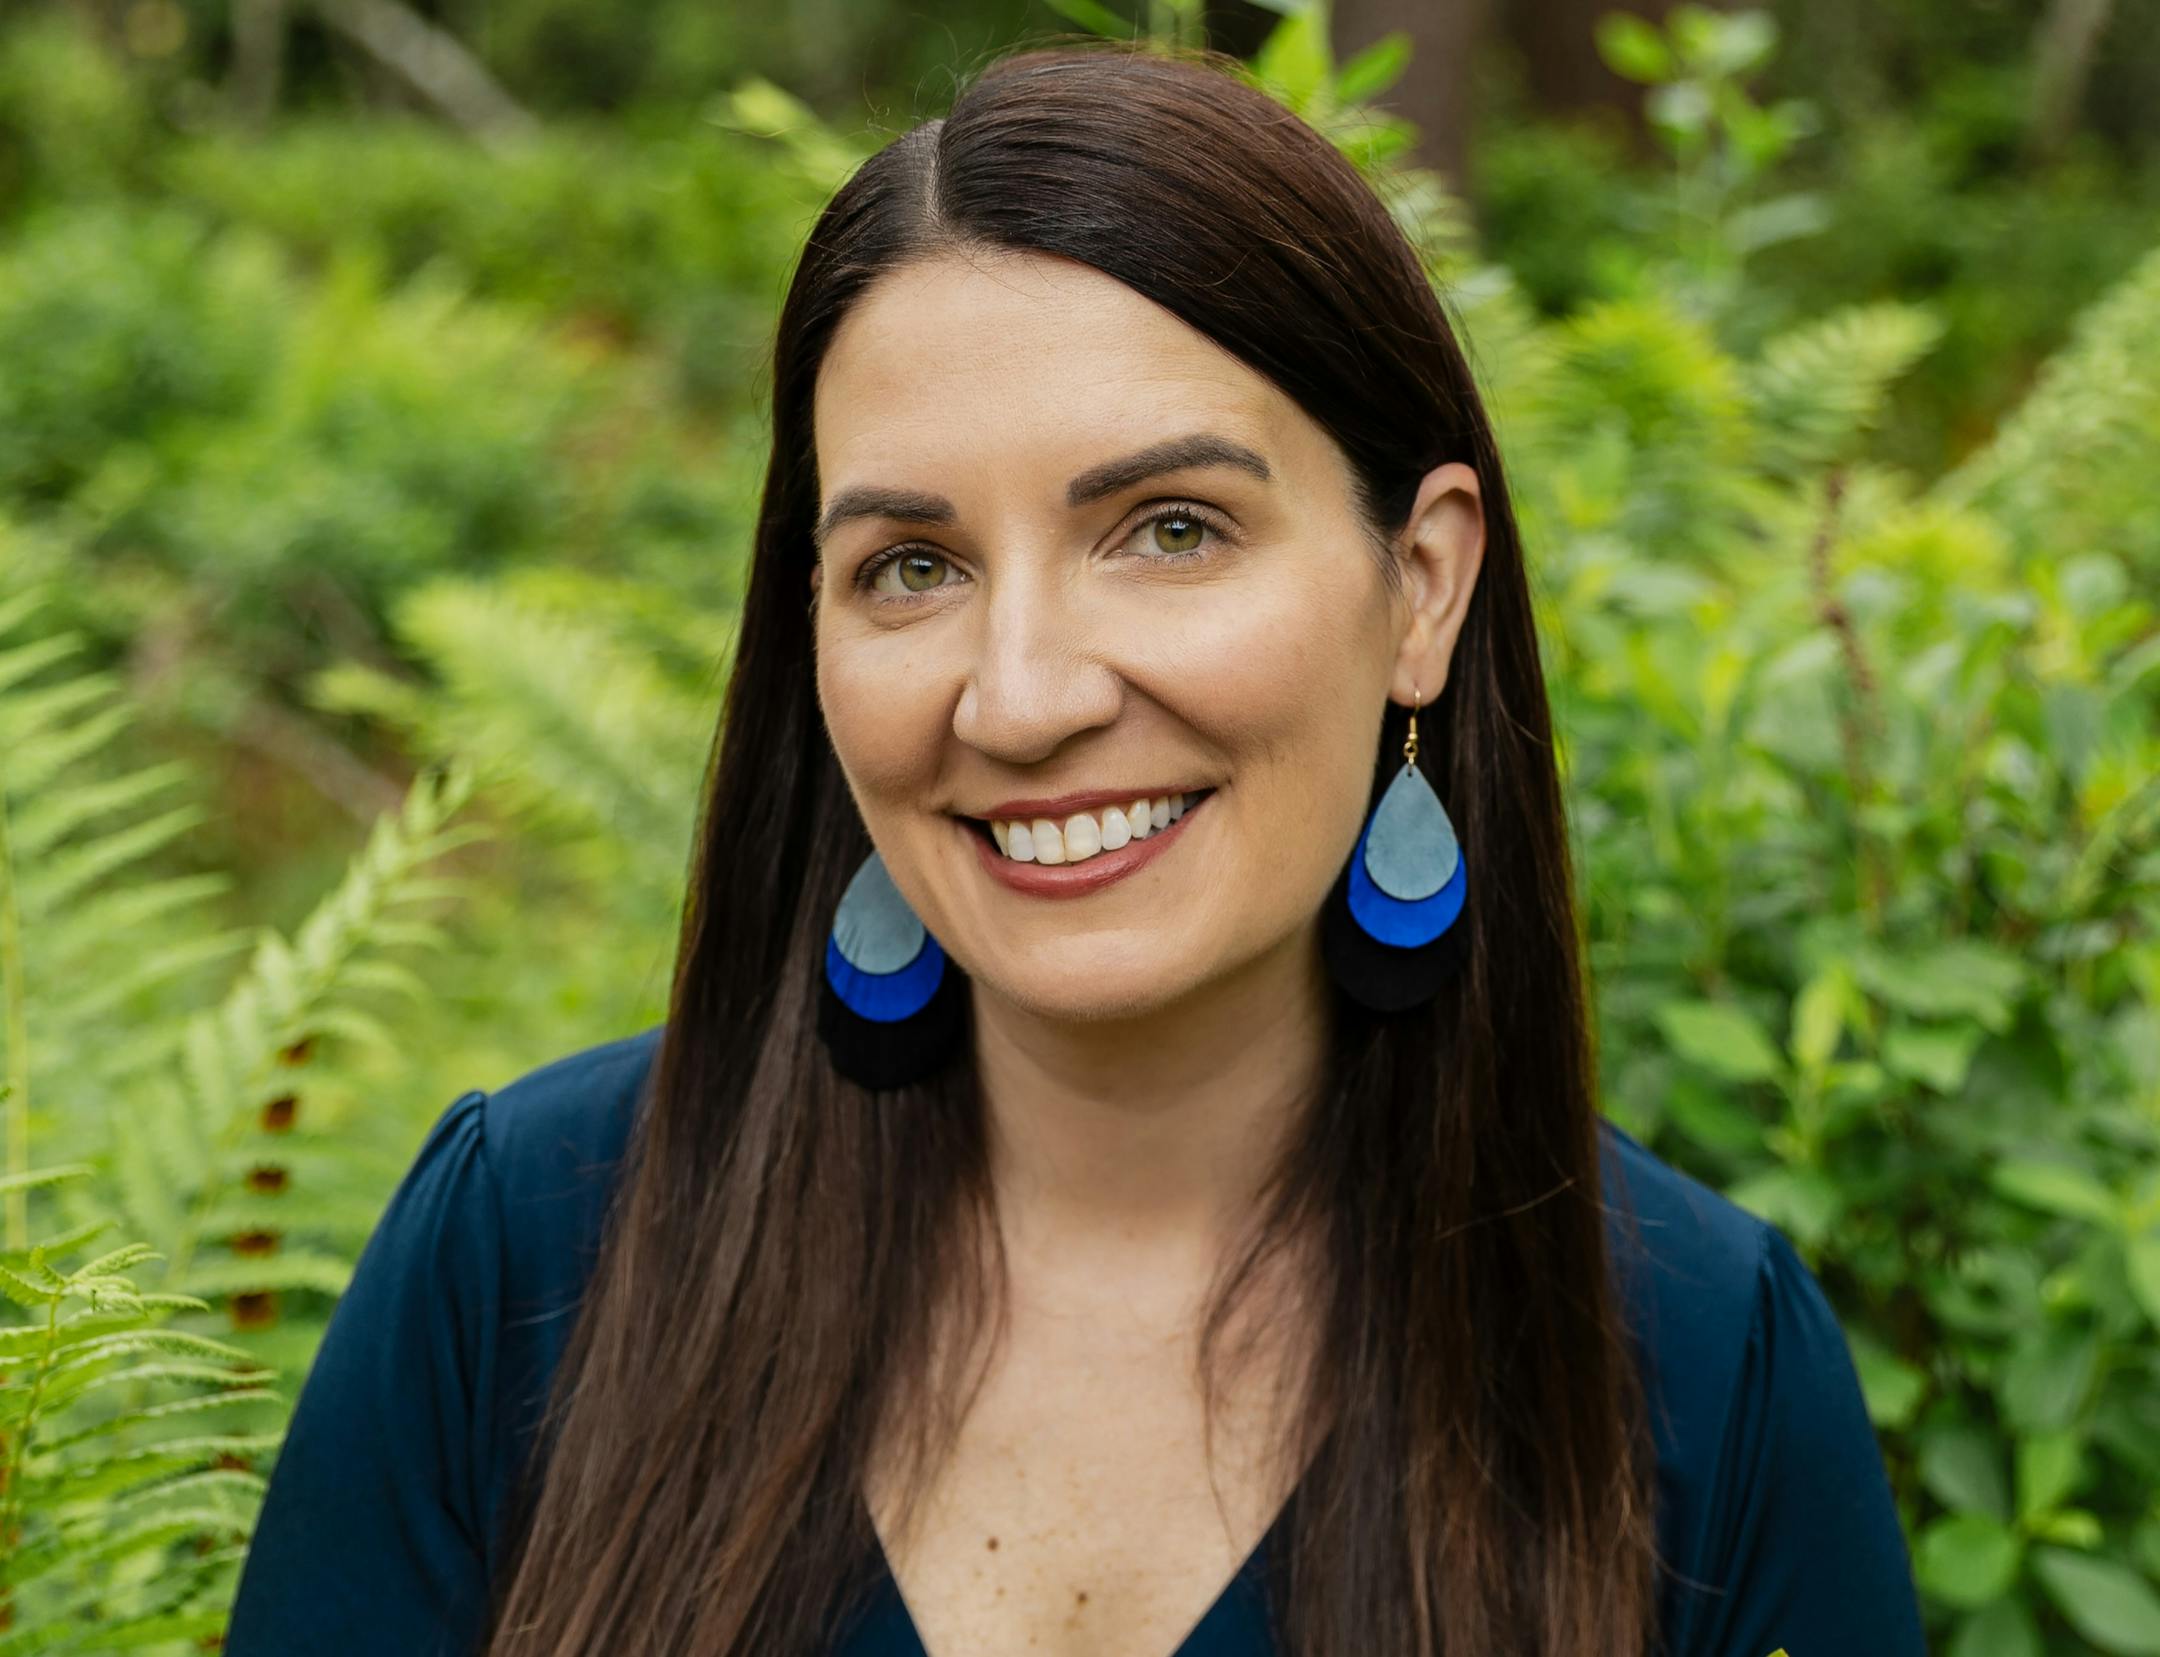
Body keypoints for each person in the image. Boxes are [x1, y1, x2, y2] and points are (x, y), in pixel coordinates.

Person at [225, 39, 1928, 1657]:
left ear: (1421, 585)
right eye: (912, 566)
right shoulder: (516, 1257)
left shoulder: (1707, 1371)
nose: (1023, 696)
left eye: (1170, 529)